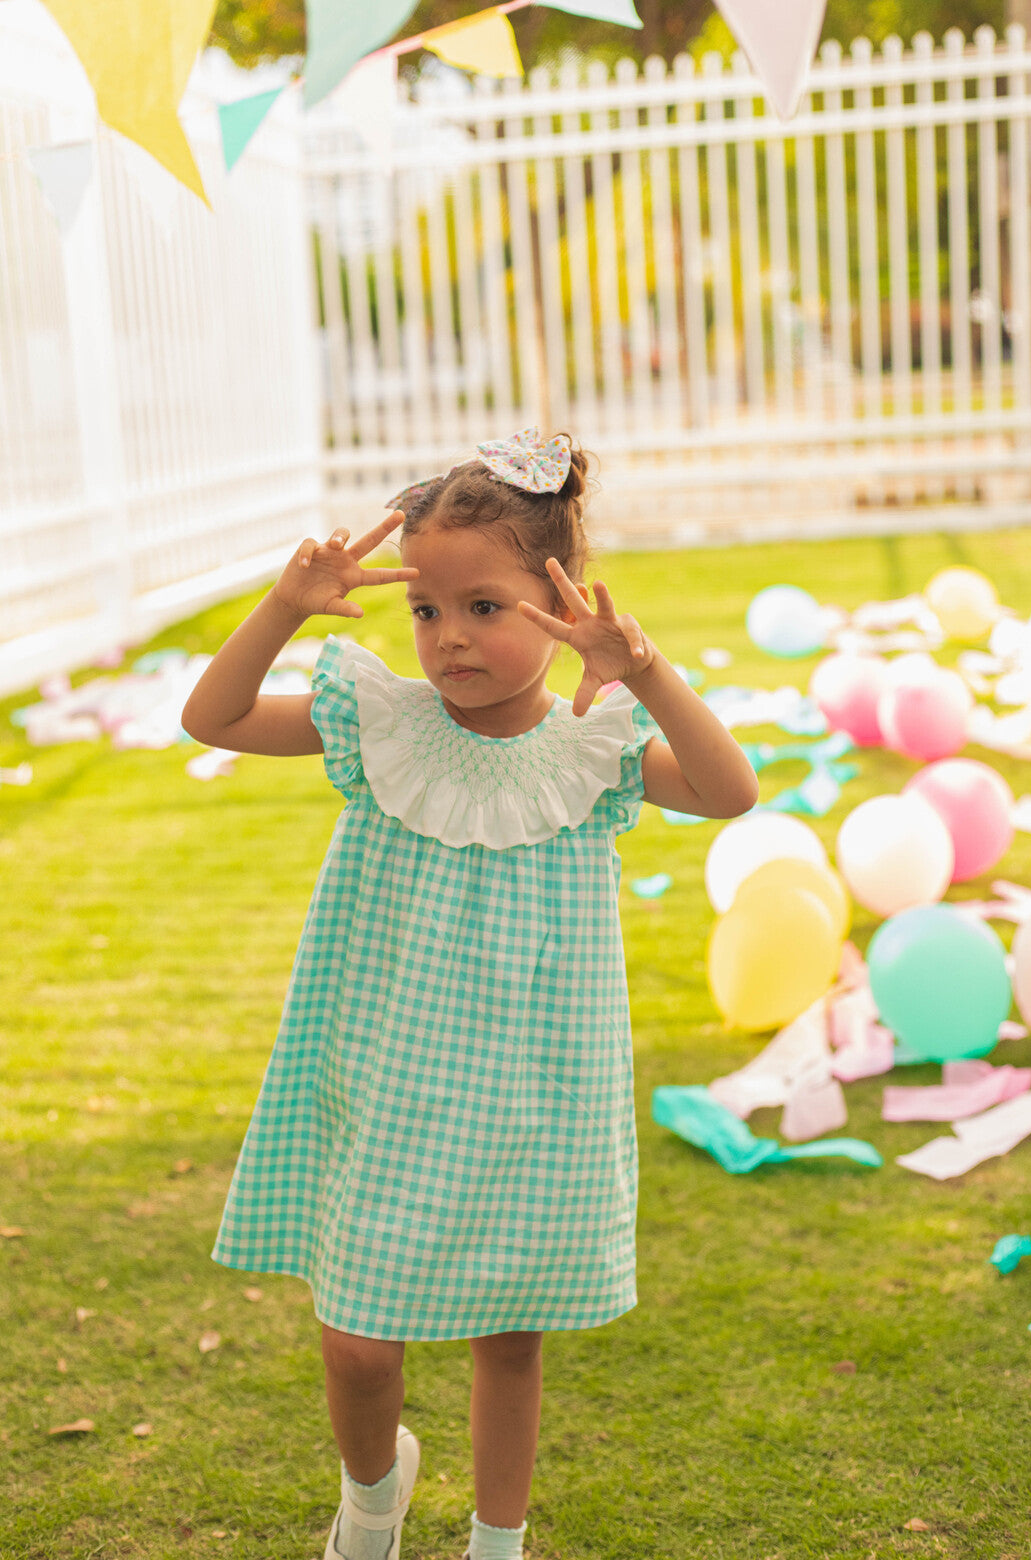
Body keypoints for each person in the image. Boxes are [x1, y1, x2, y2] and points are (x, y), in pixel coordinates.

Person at [181, 429, 758, 1560]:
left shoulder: (591, 750)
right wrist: (284, 608)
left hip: (531, 1090)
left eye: (483, 608)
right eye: (427, 612)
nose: (448, 639)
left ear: (559, 604)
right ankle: (371, 1494)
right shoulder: (379, 724)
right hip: (383, 1072)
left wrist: (642, 670)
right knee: (357, 1339)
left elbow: (728, 792)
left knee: (508, 1336)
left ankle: (498, 1538)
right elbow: (213, 720)